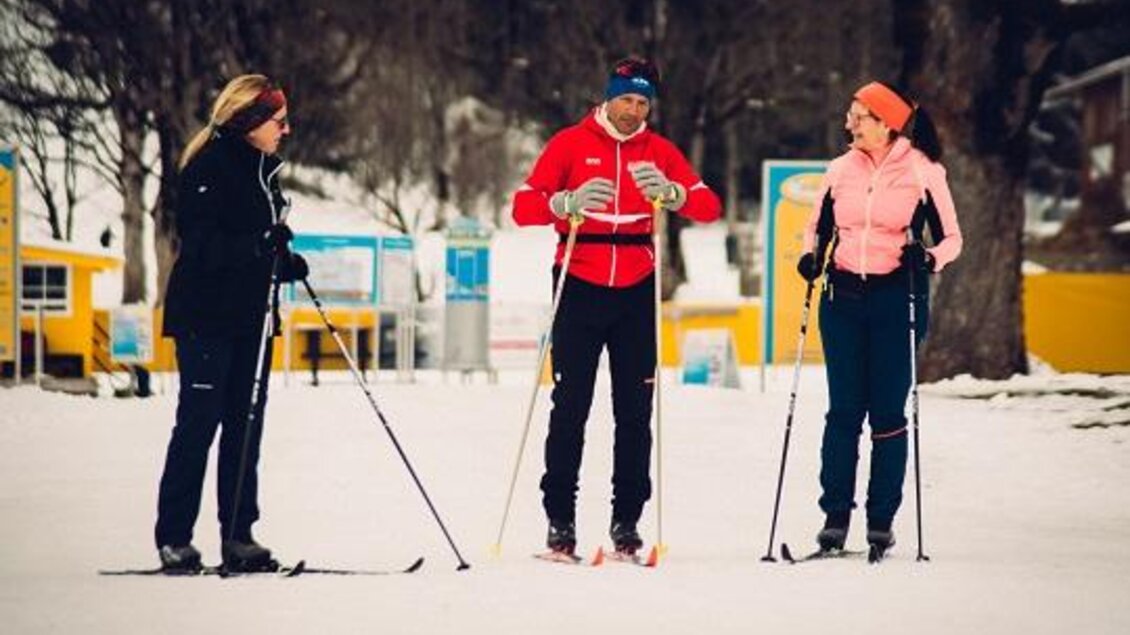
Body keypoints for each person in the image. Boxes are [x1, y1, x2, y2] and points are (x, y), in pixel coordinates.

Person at [512, 57, 722, 555]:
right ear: (607, 98)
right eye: (626, 99)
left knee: (634, 412)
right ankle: (560, 521)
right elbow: (523, 207)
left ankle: (626, 522)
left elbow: (709, 206)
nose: (633, 110)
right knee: (570, 408)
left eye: (642, 101)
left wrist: (672, 194)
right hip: (579, 283)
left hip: (636, 288)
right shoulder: (570, 143)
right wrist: (563, 202)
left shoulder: (661, 150)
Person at [796, 81, 962, 554]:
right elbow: (816, 227)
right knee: (843, 411)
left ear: (885, 124)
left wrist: (929, 260)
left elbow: (952, 238)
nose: (849, 123)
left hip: (897, 299)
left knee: (888, 413)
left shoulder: (923, 170)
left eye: (859, 116)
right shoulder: (839, 169)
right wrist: (811, 257)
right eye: (851, 115)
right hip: (843, 297)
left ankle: (881, 518)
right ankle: (834, 517)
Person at [155, 74, 308, 572]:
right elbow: (202, 247)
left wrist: (281, 259)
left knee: (245, 427)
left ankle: (238, 534)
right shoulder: (209, 167)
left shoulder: (264, 170)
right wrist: (258, 247)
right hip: (207, 316)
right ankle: (174, 536)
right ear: (249, 121)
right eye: (278, 121)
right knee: (199, 424)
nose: (285, 130)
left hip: (251, 317)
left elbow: (255, 240)